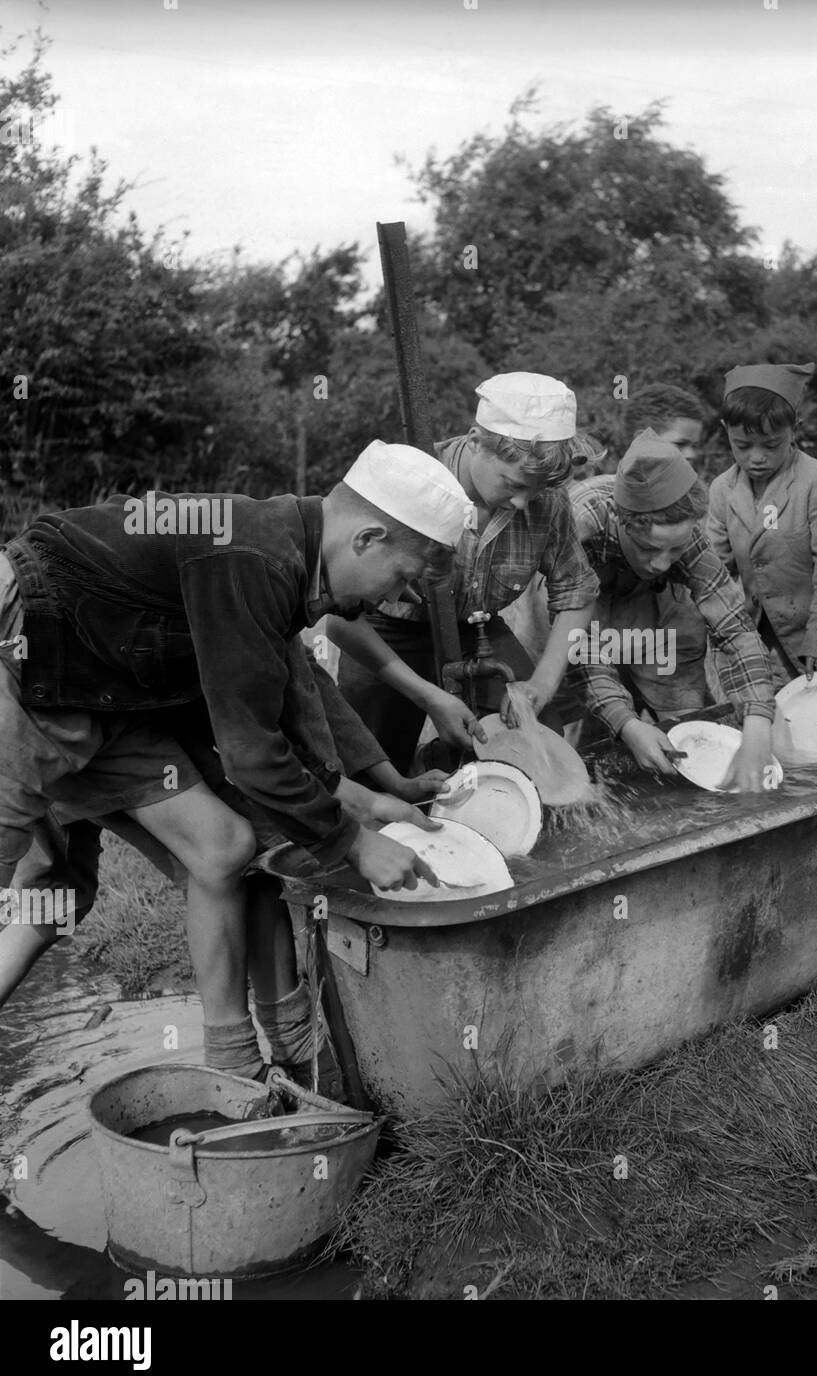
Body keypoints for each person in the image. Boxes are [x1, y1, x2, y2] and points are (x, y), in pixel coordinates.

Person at [0, 441, 470, 1083]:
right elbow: (251, 753)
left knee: (225, 847)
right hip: (26, 653)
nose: (398, 597)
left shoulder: (289, 552)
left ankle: (236, 1070)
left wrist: (378, 785)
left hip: (109, 695)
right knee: (40, 893)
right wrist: (352, 841)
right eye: (405, 577)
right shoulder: (256, 553)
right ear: (368, 538)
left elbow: (298, 684)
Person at [330, 372, 600, 775]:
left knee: (541, 741)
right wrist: (427, 697)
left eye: (537, 489)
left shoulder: (547, 500)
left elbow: (577, 590)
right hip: (384, 630)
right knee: (371, 759)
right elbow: (339, 620)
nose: (524, 502)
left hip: (478, 629)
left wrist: (541, 684)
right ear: (476, 442)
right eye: (513, 484)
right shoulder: (405, 481)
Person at [567, 430, 777, 787]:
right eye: (649, 549)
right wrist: (627, 723)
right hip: (575, 601)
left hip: (651, 603)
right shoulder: (579, 525)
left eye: (674, 551)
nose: (663, 563)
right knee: (580, 726)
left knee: (688, 721)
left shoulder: (686, 536)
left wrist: (758, 723)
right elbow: (581, 646)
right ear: (621, 522)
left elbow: (736, 629)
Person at [705, 362, 817, 684]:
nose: (756, 458)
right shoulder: (722, 490)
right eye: (742, 446)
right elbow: (714, 572)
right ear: (725, 431)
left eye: (771, 445)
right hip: (759, 643)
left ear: (795, 429)